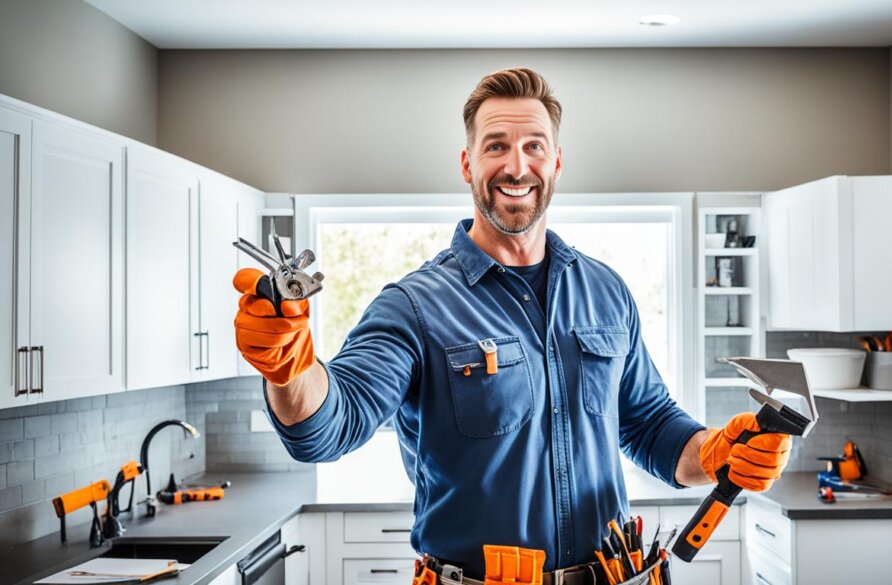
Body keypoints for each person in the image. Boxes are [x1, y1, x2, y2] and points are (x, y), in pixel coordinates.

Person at [232, 67, 791, 582]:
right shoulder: (414, 305)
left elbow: (649, 427)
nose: (517, 166)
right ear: (468, 163)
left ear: (556, 162)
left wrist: (717, 451)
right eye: (496, 146)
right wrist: (290, 369)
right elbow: (330, 425)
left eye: (533, 147)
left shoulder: (606, 292)